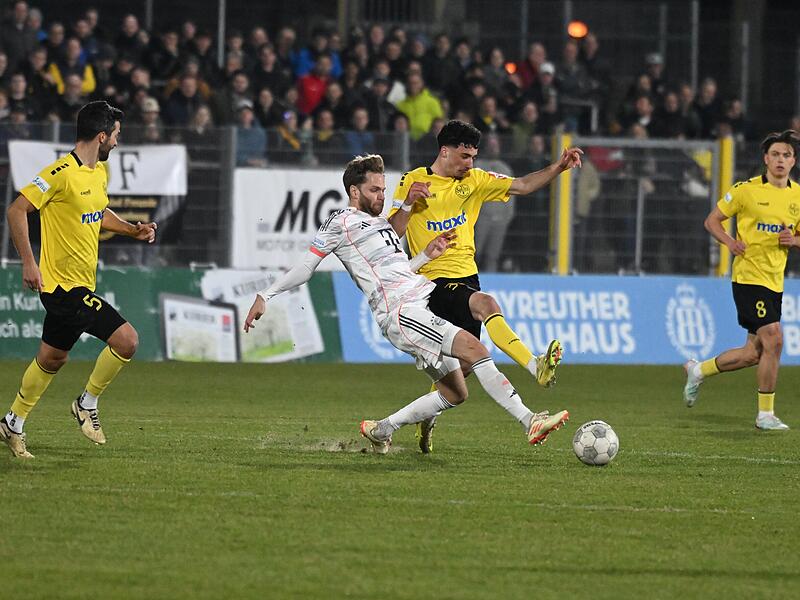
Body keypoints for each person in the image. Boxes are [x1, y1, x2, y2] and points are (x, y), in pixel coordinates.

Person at [243, 154, 569, 454]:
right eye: (374, 190)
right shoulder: (340, 222)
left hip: (421, 296)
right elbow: (306, 267)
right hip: (400, 311)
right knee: (476, 350)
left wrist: (428, 253)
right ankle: (529, 420)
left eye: (383, 190)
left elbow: (397, 269)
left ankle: (382, 429)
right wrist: (265, 295)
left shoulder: (380, 226)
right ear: (354, 191)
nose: (381, 196)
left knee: (456, 392)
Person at [387, 120, 582, 452]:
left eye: (474, 157)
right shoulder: (414, 180)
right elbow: (392, 233)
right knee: (487, 304)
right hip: (432, 283)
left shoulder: (475, 181)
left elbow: (521, 185)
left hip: (467, 278)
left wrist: (559, 167)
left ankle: (411, 422)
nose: (470, 164)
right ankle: (535, 366)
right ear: (445, 151)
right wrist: (407, 204)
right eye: (465, 156)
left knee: (459, 375)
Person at [0, 101, 158, 458]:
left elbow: (98, 212)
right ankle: (87, 404)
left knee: (52, 359)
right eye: (116, 135)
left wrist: (132, 230)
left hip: (79, 285)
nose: (117, 143)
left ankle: (13, 422)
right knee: (127, 340)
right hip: (61, 289)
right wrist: (28, 262)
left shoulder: (98, 173)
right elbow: (16, 210)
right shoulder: (59, 173)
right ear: (101, 136)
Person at [683, 130, 800, 430]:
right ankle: (765, 415)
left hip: (775, 282)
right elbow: (712, 221)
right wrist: (730, 243)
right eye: (775, 154)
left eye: (786, 155)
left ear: (793, 161)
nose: (780, 160)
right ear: (765, 159)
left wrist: (794, 240)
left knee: (753, 353)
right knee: (774, 338)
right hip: (748, 277)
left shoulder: (797, 195)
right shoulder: (746, 191)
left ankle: (699, 371)